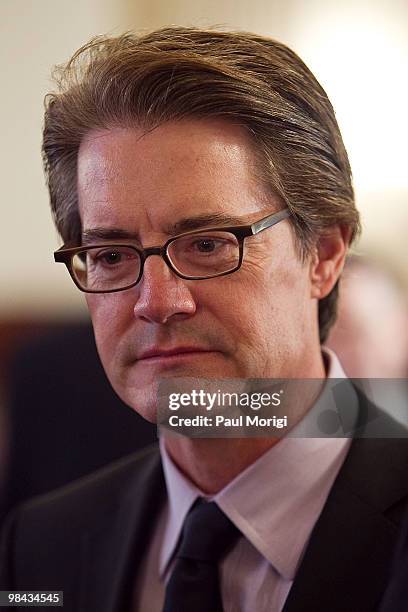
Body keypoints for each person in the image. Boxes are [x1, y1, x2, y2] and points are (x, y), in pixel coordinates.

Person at [1, 26, 407, 612]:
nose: (156, 300)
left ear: (323, 256)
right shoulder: (40, 547)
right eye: (112, 256)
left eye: (209, 244)